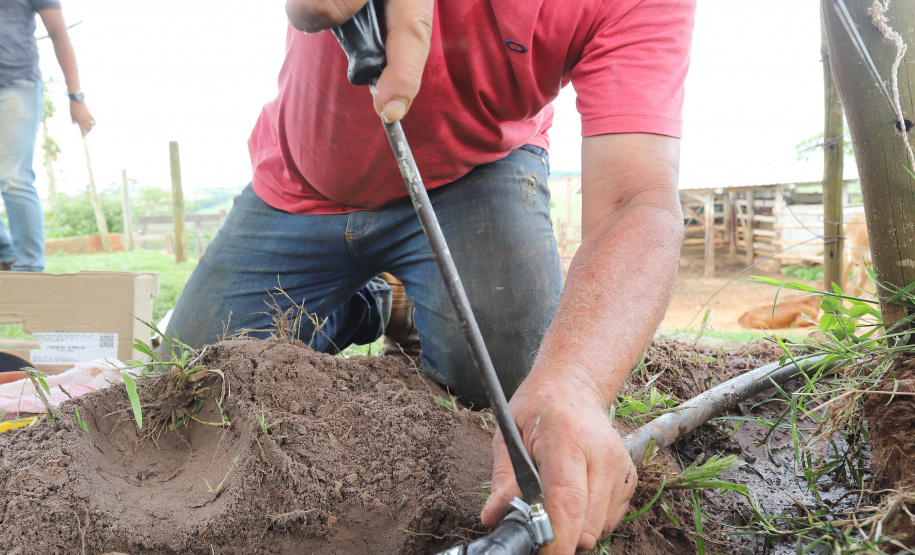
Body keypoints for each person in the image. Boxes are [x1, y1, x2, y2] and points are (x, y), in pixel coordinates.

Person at [166, 0, 695, 552]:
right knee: (189, 373)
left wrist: (579, 383)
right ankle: (376, 301)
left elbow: (637, 200)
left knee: (522, 395)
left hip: (475, 173)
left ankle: (414, 290)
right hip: (300, 186)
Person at [0, 0, 94, 272]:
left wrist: (76, 95)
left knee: (13, 177)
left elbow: (57, 31)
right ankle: (6, 251)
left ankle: (29, 271)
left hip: (15, 84)